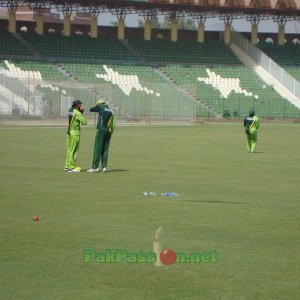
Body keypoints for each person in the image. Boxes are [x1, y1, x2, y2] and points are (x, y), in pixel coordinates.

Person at [87, 99, 115, 173]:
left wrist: (96, 105)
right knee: (105, 150)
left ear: (99, 104)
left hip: (101, 131)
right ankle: (104, 167)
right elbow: (113, 124)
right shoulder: (111, 111)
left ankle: (95, 167)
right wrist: (111, 132)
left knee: (97, 149)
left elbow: (91, 109)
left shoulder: (100, 108)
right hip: (108, 132)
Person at [64, 99, 87, 172]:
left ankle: (67, 165)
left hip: (69, 132)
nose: (81, 106)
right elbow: (85, 122)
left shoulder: (70, 110)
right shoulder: (77, 113)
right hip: (75, 133)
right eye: (80, 104)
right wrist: (82, 112)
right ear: (77, 105)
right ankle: (71, 167)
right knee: (74, 150)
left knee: (69, 149)